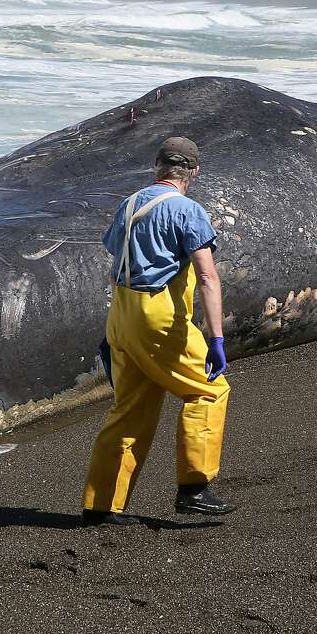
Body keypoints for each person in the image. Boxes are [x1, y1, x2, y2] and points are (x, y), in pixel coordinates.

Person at [82, 137, 234, 526]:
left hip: (122, 313)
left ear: (157, 165)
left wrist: (118, 329)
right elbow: (207, 277)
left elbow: (117, 261)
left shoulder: (130, 204)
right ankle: (194, 488)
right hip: (158, 317)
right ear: (194, 172)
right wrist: (216, 338)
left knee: (131, 410)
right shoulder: (188, 211)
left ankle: (102, 506)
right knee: (209, 390)